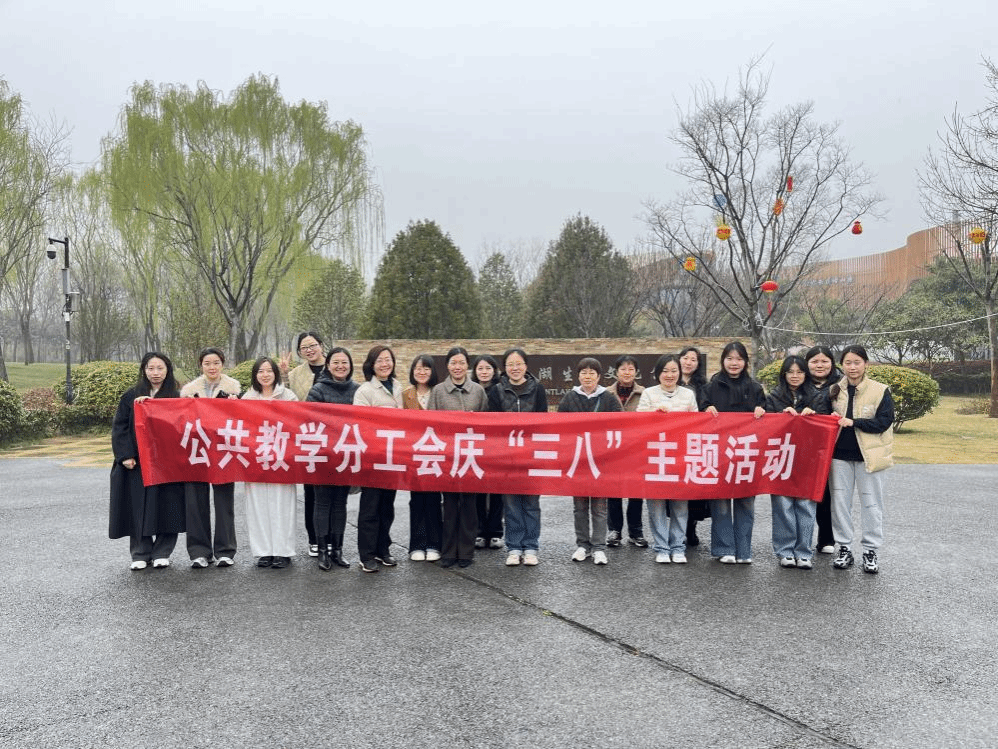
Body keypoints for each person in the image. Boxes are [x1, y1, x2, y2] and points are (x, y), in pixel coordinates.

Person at [109, 352, 186, 570]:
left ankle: (162, 551)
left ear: (168, 370)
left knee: (167, 506)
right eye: (150, 368)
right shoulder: (131, 396)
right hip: (138, 463)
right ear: (144, 370)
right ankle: (140, 552)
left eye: (160, 368)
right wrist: (125, 455)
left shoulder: (176, 396)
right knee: (137, 508)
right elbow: (120, 427)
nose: (155, 373)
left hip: (167, 463)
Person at [827, 345, 894, 574]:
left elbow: (884, 422)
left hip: (870, 458)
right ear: (842, 365)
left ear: (866, 364)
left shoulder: (880, 390)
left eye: (857, 362)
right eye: (848, 363)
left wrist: (854, 422)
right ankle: (844, 548)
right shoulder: (834, 390)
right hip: (839, 457)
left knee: (872, 505)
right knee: (840, 505)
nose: (852, 367)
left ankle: (870, 551)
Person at [701, 341, 766, 564]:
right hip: (719, 453)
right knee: (720, 503)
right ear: (723, 361)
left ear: (746, 362)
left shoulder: (755, 388)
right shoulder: (711, 387)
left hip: (747, 453)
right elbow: (700, 414)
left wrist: (762, 411)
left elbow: (768, 421)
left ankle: (744, 550)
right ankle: (724, 548)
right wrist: (706, 409)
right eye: (729, 358)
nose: (734, 363)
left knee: (746, 502)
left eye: (739, 359)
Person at [180, 347, 242, 569]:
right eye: (207, 363)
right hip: (197, 450)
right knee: (195, 501)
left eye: (216, 362)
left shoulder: (234, 389)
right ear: (201, 366)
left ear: (222, 364)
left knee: (224, 502)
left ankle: (225, 550)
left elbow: (243, 419)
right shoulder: (189, 391)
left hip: (223, 451)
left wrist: (237, 404)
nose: (212, 367)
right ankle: (199, 551)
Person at [558, 357, 622, 565]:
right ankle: (582, 545)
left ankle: (599, 547)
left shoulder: (609, 398)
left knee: (600, 506)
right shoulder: (569, 398)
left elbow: (620, 424)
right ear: (578, 376)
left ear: (599, 376)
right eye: (583, 373)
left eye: (592, 373)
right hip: (577, 458)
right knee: (579, 506)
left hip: (600, 460)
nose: (587, 376)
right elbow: (560, 425)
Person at [488, 348, 549, 567]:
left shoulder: (538, 389)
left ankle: (531, 546)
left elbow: (543, 421)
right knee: (511, 504)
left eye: (519, 364)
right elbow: (492, 425)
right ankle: (514, 547)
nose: (515, 368)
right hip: (507, 456)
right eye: (510, 364)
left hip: (532, 454)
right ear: (504, 368)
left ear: (526, 366)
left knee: (531, 503)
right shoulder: (496, 391)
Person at [429, 347, 489, 568]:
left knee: (470, 505)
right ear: (447, 365)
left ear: (467, 365)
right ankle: (448, 551)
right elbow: (430, 423)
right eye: (453, 363)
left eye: (461, 363)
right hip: (448, 455)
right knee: (450, 504)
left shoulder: (478, 391)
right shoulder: (438, 391)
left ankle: (466, 552)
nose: (457, 367)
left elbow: (486, 422)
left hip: (471, 454)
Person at [637, 354, 699, 564]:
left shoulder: (688, 395)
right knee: (656, 506)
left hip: (681, 457)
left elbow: (697, 424)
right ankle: (662, 547)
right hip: (655, 457)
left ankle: (678, 547)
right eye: (665, 371)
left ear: (679, 373)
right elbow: (637, 423)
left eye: (674, 371)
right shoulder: (648, 393)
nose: (669, 375)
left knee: (680, 505)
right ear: (657, 373)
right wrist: (654, 414)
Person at [242, 357, 299, 569]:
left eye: (269, 371)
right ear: (255, 375)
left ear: (275, 373)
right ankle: (264, 551)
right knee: (257, 506)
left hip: (282, 458)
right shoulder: (247, 397)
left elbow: (297, 423)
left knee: (282, 505)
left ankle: (283, 551)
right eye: (260, 371)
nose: (265, 375)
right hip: (256, 458)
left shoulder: (288, 396)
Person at [305, 347, 359, 570]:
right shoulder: (318, 390)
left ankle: (337, 550)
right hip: (322, 455)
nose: (340, 366)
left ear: (350, 365)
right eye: (335, 362)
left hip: (346, 454)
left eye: (344, 362)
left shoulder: (357, 390)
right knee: (322, 503)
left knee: (340, 503)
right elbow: (309, 420)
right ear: (328, 366)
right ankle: (322, 550)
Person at [353, 345, 404, 573]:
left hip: (393, 456)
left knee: (387, 507)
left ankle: (383, 549)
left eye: (388, 359)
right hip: (373, 457)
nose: (385, 364)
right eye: (380, 360)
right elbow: (362, 424)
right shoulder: (365, 391)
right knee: (370, 508)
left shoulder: (398, 387)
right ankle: (367, 554)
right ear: (371, 365)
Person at [765, 356, 818, 570]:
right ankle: (785, 550)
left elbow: (825, 424)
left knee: (806, 506)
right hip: (781, 457)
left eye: (799, 372)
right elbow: (766, 427)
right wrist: (780, 416)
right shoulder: (773, 397)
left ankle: (804, 552)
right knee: (783, 505)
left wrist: (814, 415)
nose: (795, 376)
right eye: (790, 372)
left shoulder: (816, 396)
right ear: (784, 374)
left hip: (807, 458)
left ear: (806, 374)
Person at [280, 331, 326, 558]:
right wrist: (284, 375)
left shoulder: (335, 366)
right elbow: (286, 399)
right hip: (307, 438)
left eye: (312, 345)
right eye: (304, 348)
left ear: (321, 345)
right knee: (310, 493)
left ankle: (331, 539)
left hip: (333, 437)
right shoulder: (296, 373)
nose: (309, 350)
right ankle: (314, 539)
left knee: (332, 492)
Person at [402, 354, 443, 563]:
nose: (422, 372)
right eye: (418, 368)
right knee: (417, 500)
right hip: (414, 455)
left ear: (432, 371)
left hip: (437, 454)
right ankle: (417, 544)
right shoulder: (405, 395)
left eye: (426, 368)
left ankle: (434, 544)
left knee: (434, 500)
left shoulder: (439, 392)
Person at [802, 345, 842, 554]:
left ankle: (827, 539)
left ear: (832, 363)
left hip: (832, 446)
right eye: (814, 361)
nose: (819, 365)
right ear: (807, 364)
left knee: (827, 493)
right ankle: (801, 540)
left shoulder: (841, 384)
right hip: (803, 445)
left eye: (824, 361)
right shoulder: (799, 382)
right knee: (803, 493)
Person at [605, 354, 647, 548]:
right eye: (623, 369)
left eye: (631, 369)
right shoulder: (606, 393)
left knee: (636, 491)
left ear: (636, 372)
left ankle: (636, 531)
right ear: (616, 372)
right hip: (612, 448)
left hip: (636, 449)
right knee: (613, 491)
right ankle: (614, 530)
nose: (627, 372)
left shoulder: (645, 393)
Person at [678, 346, 710, 547]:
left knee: (693, 486)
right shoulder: (670, 380)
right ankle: (677, 528)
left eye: (693, 359)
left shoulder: (704, 385)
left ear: (698, 364)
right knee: (677, 486)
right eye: (685, 358)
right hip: (674, 440)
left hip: (696, 441)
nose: (688, 362)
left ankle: (691, 526)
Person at [471, 355, 504, 550]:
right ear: (475, 371)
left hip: (497, 445)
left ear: (494, 370)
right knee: (478, 491)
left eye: (488, 368)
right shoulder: (471, 389)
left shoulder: (500, 389)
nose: (484, 372)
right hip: (475, 444)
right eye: (480, 368)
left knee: (497, 490)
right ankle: (480, 531)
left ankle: (496, 531)